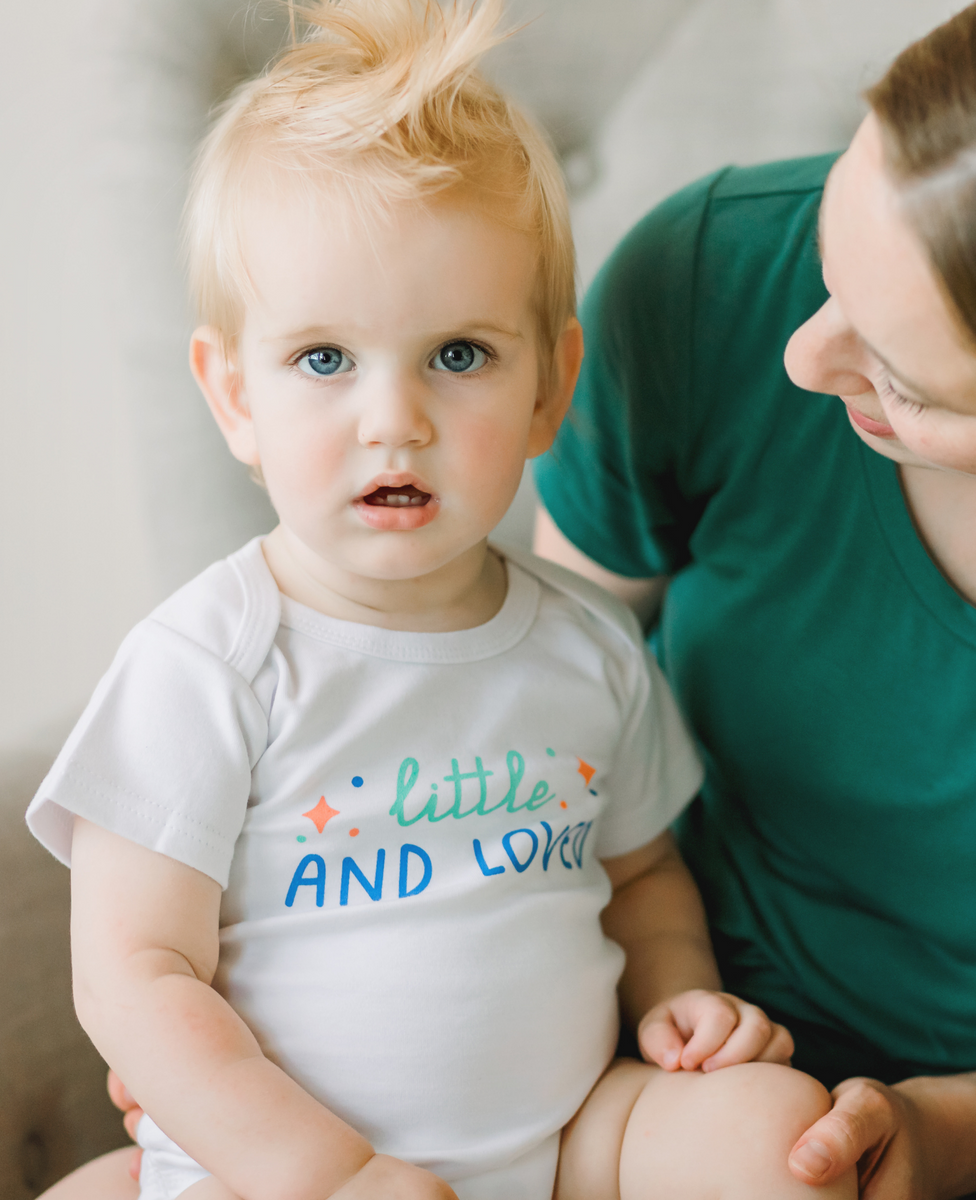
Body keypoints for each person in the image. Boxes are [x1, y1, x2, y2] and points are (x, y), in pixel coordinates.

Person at [26, 3, 851, 1199]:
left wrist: (680, 1001)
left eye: (459, 355)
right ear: (233, 395)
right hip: (281, 1174)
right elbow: (132, 977)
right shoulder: (209, 662)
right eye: (323, 360)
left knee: (773, 1134)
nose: (393, 419)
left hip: (566, 1145)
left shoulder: (588, 643)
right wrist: (334, 1173)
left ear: (550, 387)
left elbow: (640, 875)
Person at [530, 0, 976, 1197]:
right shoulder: (711, 279)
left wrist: (959, 1133)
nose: (801, 357)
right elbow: (518, 708)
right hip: (673, 1064)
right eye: (834, 249)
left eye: (902, 381)